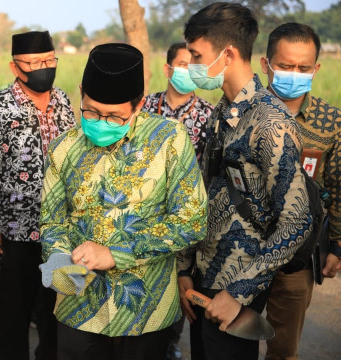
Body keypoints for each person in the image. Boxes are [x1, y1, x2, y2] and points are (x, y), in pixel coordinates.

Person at [39, 42, 207, 360]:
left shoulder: (170, 140)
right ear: (80, 93)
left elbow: (192, 220)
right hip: (79, 312)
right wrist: (60, 262)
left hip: (147, 313)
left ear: (139, 104)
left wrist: (115, 254)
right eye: (90, 111)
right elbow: (52, 220)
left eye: (114, 117)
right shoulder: (63, 148)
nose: (100, 122)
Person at [176, 4, 313, 360]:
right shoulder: (224, 109)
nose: (191, 64)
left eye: (196, 55)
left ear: (229, 53)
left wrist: (238, 292)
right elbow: (204, 193)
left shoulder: (271, 123)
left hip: (237, 290)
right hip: (205, 277)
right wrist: (185, 269)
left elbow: (296, 222)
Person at [0, 30, 76, 360]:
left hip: (60, 230)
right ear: (16, 67)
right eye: (33, 63)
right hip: (14, 232)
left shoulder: (62, 102)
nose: (43, 68)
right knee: (11, 313)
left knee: (55, 310)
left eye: (49, 61)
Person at [260, 22, 341, 360]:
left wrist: (336, 244)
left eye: (303, 68)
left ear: (315, 69)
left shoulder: (332, 122)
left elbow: (337, 187)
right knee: (230, 342)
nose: (294, 74)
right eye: (285, 66)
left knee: (283, 349)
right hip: (239, 252)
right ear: (266, 65)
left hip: (296, 259)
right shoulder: (241, 110)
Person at [142, 41, 214, 360]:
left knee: (183, 287)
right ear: (168, 69)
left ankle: (171, 344)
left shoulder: (210, 116)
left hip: (186, 219)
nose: (186, 72)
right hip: (147, 216)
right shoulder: (144, 108)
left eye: (192, 66)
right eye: (180, 65)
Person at [143, 42, 213, 163]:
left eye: (194, 66)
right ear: (167, 70)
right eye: (183, 64)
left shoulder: (208, 114)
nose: (189, 71)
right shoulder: (145, 105)